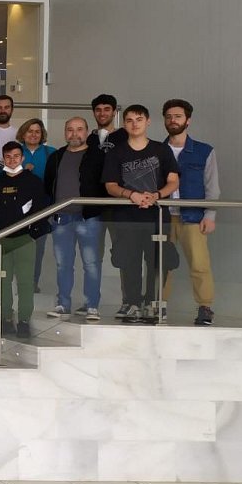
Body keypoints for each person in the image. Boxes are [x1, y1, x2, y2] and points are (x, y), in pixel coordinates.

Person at [102, 105, 180, 323]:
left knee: (157, 260)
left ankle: (152, 304)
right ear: (124, 124)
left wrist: (157, 195)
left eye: (139, 119)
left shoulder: (161, 150)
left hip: (157, 217)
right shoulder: (116, 153)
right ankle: (133, 303)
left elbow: (173, 181)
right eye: (129, 120)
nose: (134, 124)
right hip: (127, 217)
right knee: (130, 261)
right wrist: (132, 195)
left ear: (148, 122)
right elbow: (110, 185)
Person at [0, 142, 51, 337]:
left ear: (22, 158)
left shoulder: (33, 182)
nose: (12, 160)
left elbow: (40, 210)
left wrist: (32, 233)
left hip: (24, 239)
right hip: (1, 241)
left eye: (16, 156)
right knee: (2, 283)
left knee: (25, 282)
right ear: (3, 158)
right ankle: (6, 320)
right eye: (8, 156)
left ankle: (24, 321)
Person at [161, 99, 218, 326]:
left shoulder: (204, 151)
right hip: (163, 216)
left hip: (193, 216)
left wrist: (210, 215)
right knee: (161, 264)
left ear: (188, 120)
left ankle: (205, 307)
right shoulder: (156, 149)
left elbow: (212, 186)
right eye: (168, 116)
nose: (172, 120)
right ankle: (159, 305)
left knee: (199, 264)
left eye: (178, 116)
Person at [43, 117, 106, 320]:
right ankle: (63, 304)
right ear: (65, 133)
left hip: (88, 218)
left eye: (79, 129)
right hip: (61, 218)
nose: (74, 134)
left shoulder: (97, 156)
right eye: (70, 129)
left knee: (91, 264)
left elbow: (105, 185)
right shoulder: (56, 156)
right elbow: (48, 185)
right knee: (63, 265)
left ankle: (92, 306)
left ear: (87, 132)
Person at [18, 118, 55, 293]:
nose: (33, 134)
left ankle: (33, 282)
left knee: (38, 247)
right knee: (20, 246)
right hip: (18, 208)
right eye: (30, 131)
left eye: (37, 131)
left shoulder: (51, 153)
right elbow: (1, 175)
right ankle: (21, 282)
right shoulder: (15, 152)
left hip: (42, 207)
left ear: (42, 134)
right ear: (23, 133)